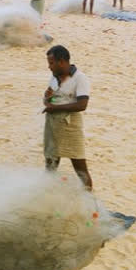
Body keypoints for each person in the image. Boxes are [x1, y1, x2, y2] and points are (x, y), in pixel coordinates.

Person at [43, 45, 93, 189]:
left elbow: (82, 105)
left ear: (62, 62)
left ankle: (89, 202)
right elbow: (49, 97)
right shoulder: (54, 78)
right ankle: (46, 195)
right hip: (53, 125)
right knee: (51, 164)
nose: (49, 67)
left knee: (80, 168)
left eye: (51, 63)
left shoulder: (80, 78)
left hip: (70, 126)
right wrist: (47, 100)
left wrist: (54, 108)